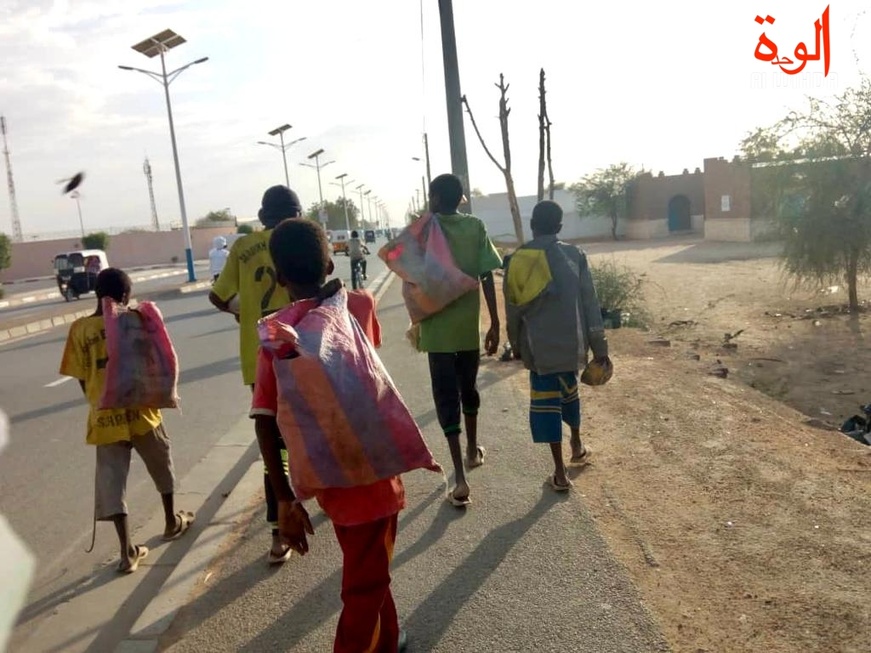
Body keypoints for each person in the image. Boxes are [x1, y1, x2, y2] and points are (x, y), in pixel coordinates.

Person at [251, 218, 412, 652]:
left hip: (328, 478)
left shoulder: (273, 334)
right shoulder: (359, 305)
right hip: (375, 472)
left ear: (280, 277)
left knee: (371, 570)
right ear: (328, 264)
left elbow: (264, 418)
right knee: (365, 584)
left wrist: (284, 498)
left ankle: (389, 641)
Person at [59, 268, 193, 573]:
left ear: (96, 294)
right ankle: (172, 521)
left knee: (112, 483)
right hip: (143, 412)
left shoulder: (80, 330)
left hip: (105, 418)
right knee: (162, 465)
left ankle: (127, 551)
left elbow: (81, 378)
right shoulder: (136, 320)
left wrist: (98, 399)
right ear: (124, 296)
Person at [209, 185, 302, 564]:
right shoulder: (298, 237)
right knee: (312, 430)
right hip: (300, 351)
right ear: (295, 212)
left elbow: (217, 297)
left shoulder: (242, 248)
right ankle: (329, 500)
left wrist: (243, 311)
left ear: (264, 216)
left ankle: (278, 534)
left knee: (272, 442)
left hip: (259, 355)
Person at [503, 200, 610, 491]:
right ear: (559, 227)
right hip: (571, 346)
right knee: (570, 395)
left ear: (532, 226)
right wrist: (600, 348)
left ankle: (560, 472)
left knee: (546, 405)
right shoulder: (575, 256)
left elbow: (513, 309)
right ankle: (576, 443)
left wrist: (515, 345)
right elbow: (590, 303)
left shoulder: (517, 260)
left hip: (538, 350)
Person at [420, 173, 502, 507]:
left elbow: (406, 270)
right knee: (468, 390)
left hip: (437, 330)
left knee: (445, 398)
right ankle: (472, 450)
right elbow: (487, 275)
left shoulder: (423, 230)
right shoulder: (475, 227)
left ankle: (460, 477)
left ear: (437, 198)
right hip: (467, 327)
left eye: (430, 196)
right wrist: (495, 323)